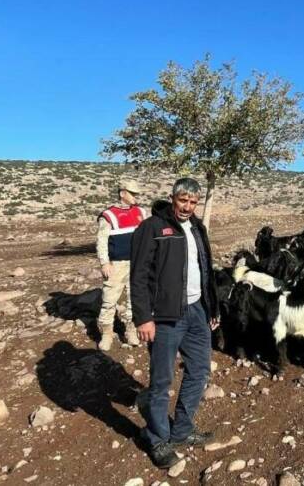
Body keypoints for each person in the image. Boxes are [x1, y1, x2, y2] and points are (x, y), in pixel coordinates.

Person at [130, 178, 221, 470]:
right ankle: (156, 437)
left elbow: (205, 269)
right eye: (183, 200)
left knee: (199, 370)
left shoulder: (197, 227)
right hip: (166, 315)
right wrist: (143, 317)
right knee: (161, 380)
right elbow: (139, 275)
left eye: (193, 202)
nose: (188, 207)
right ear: (172, 198)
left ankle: (181, 429)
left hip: (197, 311)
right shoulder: (153, 228)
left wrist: (212, 307)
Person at [95, 179, 149, 350]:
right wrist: (104, 263)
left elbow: (147, 236)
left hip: (138, 263)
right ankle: (107, 334)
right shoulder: (108, 215)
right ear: (122, 193)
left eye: (136, 194)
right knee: (109, 300)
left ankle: (131, 331)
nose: (135, 197)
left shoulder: (141, 212)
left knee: (135, 299)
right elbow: (101, 241)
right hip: (116, 265)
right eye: (132, 193)